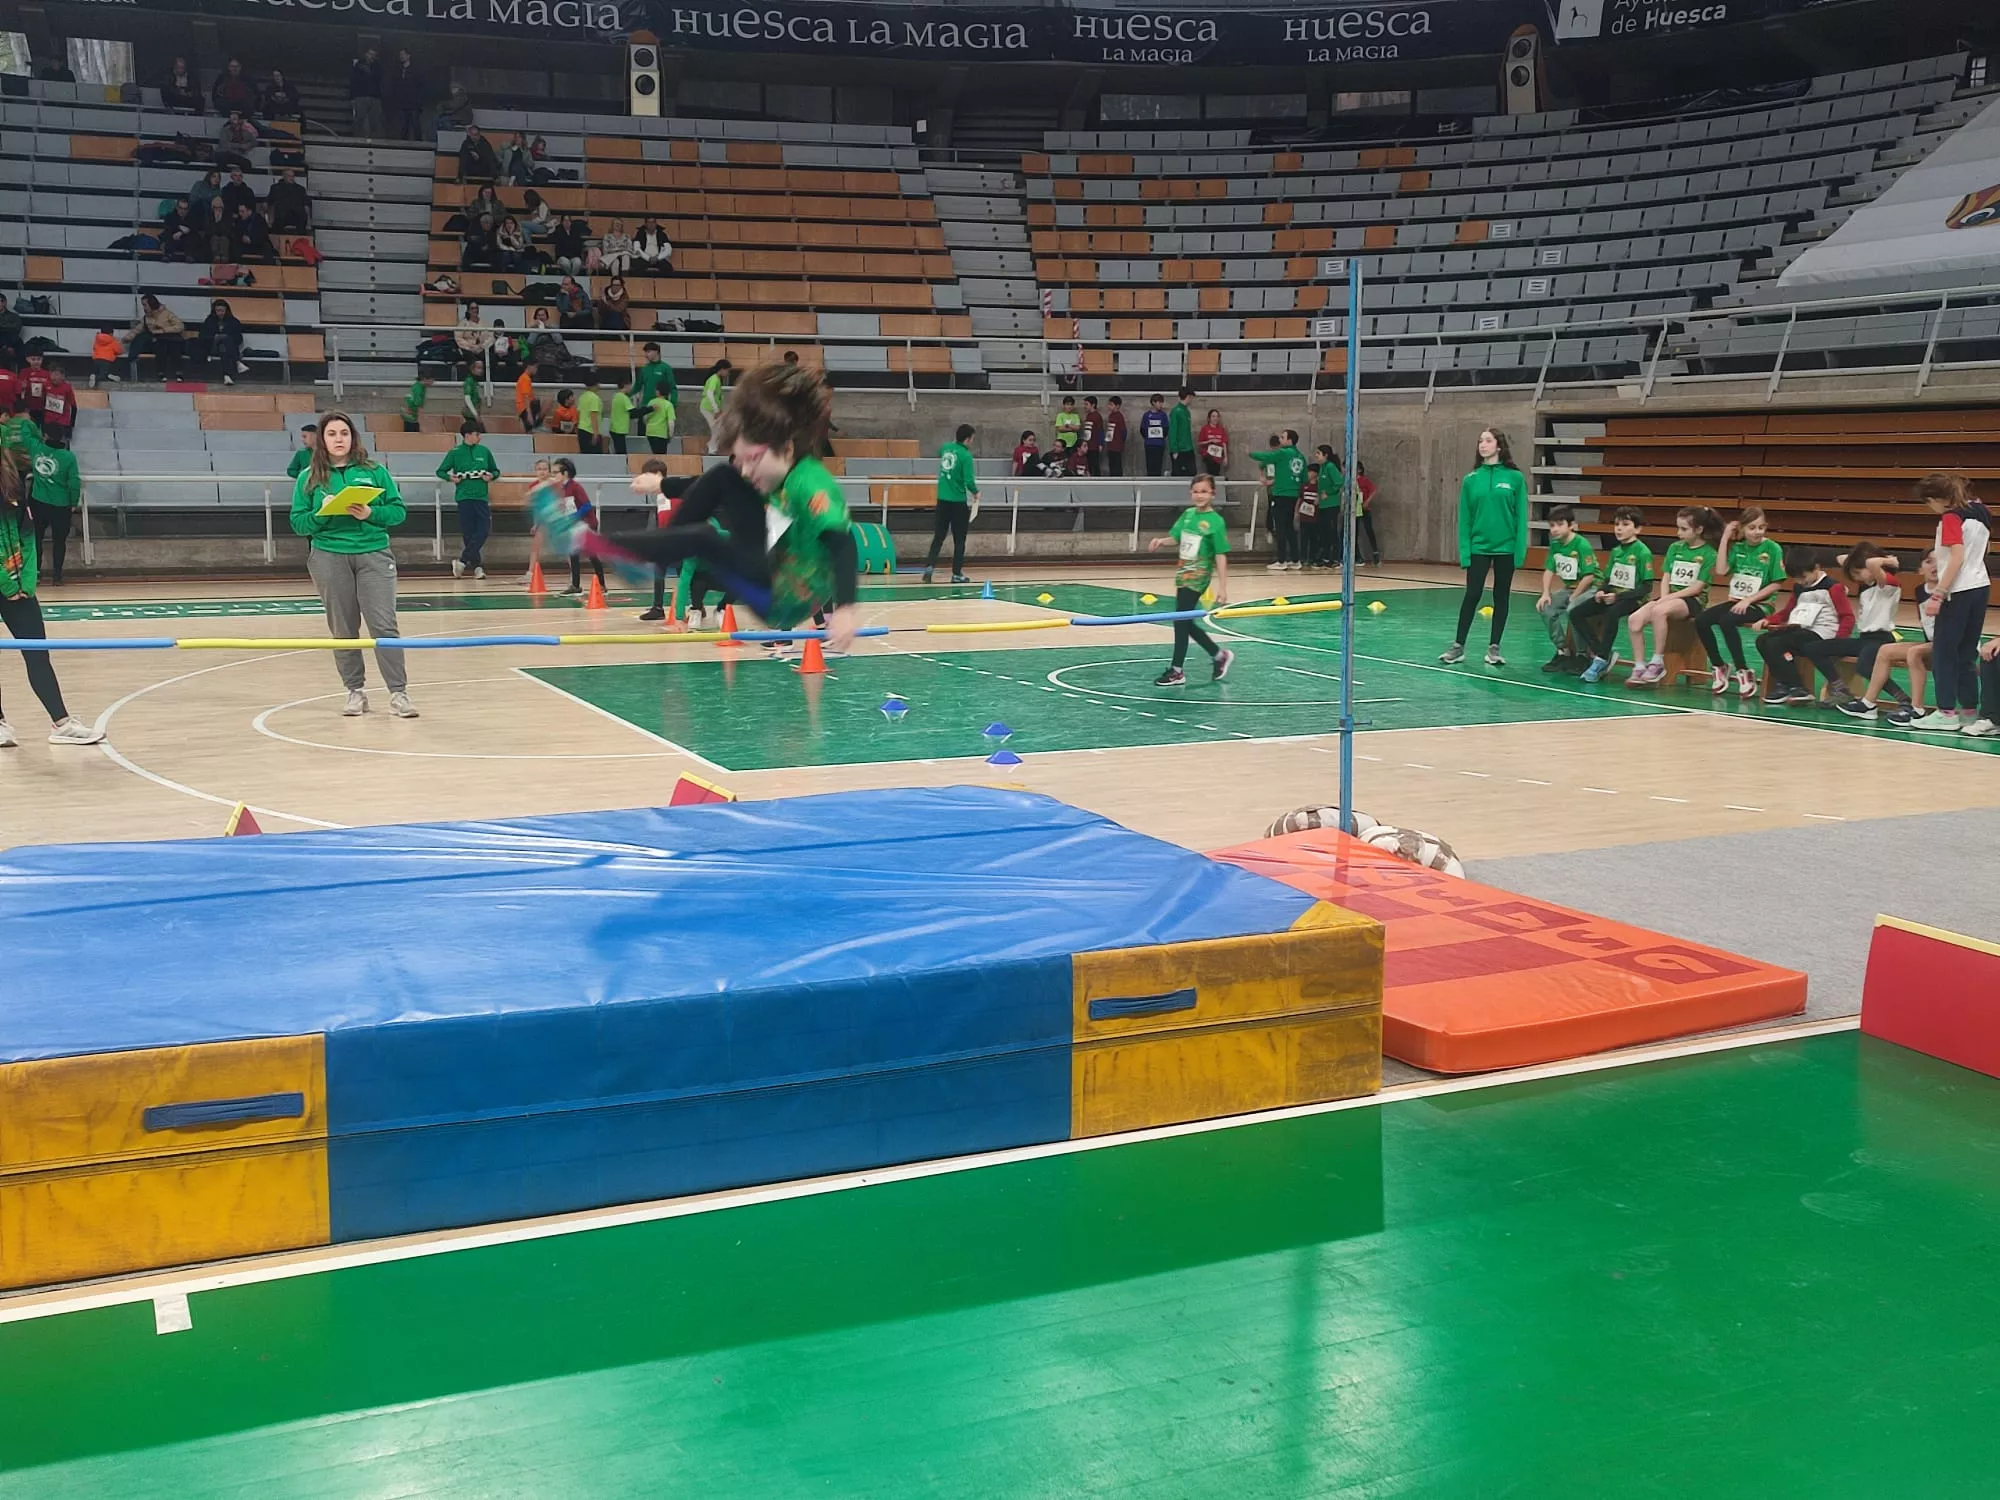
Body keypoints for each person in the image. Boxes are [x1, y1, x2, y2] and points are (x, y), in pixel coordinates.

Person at [542, 362, 859, 644]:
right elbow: (708, 487)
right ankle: (645, 552)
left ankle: (598, 542)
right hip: (768, 568)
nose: (747, 470)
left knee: (703, 536)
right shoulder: (777, 474)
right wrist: (662, 483)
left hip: (780, 598)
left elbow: (843, 543)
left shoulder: (811, 482)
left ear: (787, 449)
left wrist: (845, 607)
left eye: (753, 459)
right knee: (723, 477)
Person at [289, 412, 415, 718]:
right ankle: (355, 691)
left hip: (374, 553)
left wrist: (370, 513)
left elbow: (398, 513)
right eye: (332, 434)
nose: (338, 439)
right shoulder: (309, 477)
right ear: (322, 439)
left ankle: (399, 693)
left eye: (344, 433)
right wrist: (323, 513)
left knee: (384, 626)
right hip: (329, 555)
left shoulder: (374, 471)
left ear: (353, 437)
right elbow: (298, 523)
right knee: (344, 627)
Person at [0, 446, 103, 746]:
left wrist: (27, 582)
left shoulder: (14, 487)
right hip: (7, 586)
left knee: (38, 654)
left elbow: (28, 538)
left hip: (20, 590)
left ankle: (62, 723)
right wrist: (7, 585)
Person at [1907, 471, 1992, 732]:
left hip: (1958, 590)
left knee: (1944, 653)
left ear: (1936, 498)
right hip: (1981, 586)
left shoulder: (1951, 517)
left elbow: (1957, 557)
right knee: (1966, 653)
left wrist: (1938, 593)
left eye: (1928, 502)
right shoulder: (1981, 510)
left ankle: (1945, 713)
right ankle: (1968, 710)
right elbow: (1985, 549)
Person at [1440, 427, 1528, 666]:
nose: (1482, 444)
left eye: (1488, 440)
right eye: (1480, 441)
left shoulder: (1515, 478)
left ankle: (1494, 648)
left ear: (1499, 446)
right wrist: (1465, 553)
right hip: (1479, 547)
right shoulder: (1471, 480)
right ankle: (1458, 646)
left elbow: (1521, 517)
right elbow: (1465, 519)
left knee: (1502, 596)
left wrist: (1519, 552)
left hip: (1506, 548)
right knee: (1472, 595)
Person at [1146, 474, 1233, 686]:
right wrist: (1160, 541)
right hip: (1183, 573)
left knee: (1180, 620)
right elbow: (1177, 538)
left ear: (1213, 494)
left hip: (1198, 575)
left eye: (1204, 491)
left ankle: (1177, 671)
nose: (1199, 495)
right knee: (1183, 620)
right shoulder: (1187, 515)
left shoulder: (1216, 522)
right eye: (1195, 491)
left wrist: (1223, 586)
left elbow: (1221, 554)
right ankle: (1218, 655)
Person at [1623, 505, 1721, 686]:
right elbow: (1666, 575)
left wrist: (1668, 599)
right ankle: (1639, 666)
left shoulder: (1709, 554)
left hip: (1692, 601)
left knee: (1659, 611)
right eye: (1678, 528)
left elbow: (1697, 587)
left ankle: (1657, 662)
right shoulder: (1675, 548)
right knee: (1634, 620)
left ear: (1699, 529)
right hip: (1669, 598)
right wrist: (1665, 595)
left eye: (1684, 529)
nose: (1678, 533)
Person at [1692, 506, 1786, 697]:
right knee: (1701, 620)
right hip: (1737, 602)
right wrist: (1725, 538)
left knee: (1727, 620)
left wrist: (1749, 600)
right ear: (1742, 529)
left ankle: (1743, 670)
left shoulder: (1772, 548)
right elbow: (1721, 570)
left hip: (1760, 605)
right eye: (1752, 528)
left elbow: (1777, 584)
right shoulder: (1738, 548)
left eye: (1761, 527)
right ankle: (1719, 665)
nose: (1757, 532)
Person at [1840, 552, 1936, 724]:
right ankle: (1868, 703)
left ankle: (1917, 709)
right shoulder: (1920, 590)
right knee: (1885, 652)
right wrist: (1866, 557)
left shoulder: (1887, 584)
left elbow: (1871, 562)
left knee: (1913, 652)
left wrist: (1887, 561)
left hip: (1949, 642)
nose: (1934, 566)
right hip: (1931, 642)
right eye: (1928, 562)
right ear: (1920, 569)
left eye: (1939, 561)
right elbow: (1842, 559)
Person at [1756, 548, 1854, 707]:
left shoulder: (1833, 587)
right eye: (1796, 579)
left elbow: (1847, 616)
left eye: (1803, 577)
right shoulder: (1799, 588)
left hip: (1823, 633)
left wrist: (1839, 641)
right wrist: (1768, 620)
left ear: (1816, 568)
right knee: (1763, 640)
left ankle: (1797, 687)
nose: (1802, 582)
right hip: (1802, 630)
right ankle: (1784, 683)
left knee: (1778, 643)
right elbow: (1788, 610)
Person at [1576, 507, 1655, 683]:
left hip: (1633, 599)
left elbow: (1647, 587)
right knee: (1576, 613)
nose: (1619, 528)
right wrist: (1601, 591)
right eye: (1616, 524)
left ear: (1637, 529)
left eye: (1625, 524)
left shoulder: (1642, 552)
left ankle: (1600, 659)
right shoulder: (1616, 552)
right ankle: (1602, 652)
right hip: (1613, 596)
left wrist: (1618, 597)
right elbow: (1609, 579)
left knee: (1612, 613)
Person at [1536, 505, 1600, 672]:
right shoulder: (1555, 545)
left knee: (1574, 608)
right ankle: (1563, 650)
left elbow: (1590, 576)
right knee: (1546, 607)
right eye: (1552, 526)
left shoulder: (1582, 545)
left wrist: (1576, 595)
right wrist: (1545, 593)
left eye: (1559, 524)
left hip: (1591, 588)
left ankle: (1582, 656)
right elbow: (1549, 570)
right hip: (1570, 588)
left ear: (1571, 525)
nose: (1555, 529)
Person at [438, 420, 498, 579]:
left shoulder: (484, 451)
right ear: (468, 435)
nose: (479, 437)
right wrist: (451, 478)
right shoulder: (455, 452)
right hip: (464, 497)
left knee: (484, 530)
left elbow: (495, 470)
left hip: (481, 496)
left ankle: (463, 561)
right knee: (469, 533)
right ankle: (477, 566)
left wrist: (491, 476)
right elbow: (441, 471)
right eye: (477, 434)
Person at [924, 423, 980, 584]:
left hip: (942, 499)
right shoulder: (966, 456)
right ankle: (956, 573)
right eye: (972, 439)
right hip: (957, 501)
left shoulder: (945, 448)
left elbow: (941, 453)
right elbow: (968, 480)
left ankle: (929, 567)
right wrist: (976, 492)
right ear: (968, 439)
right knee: (959, 539)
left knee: (939, 536)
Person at [1249, 431, 1307, 571]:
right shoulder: (1301, 456)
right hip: (1293, 495)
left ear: (1290, 440)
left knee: (1280, 527)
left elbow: (1265, 456)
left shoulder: (1283, 453)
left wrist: (1250, 453)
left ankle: (1281, 560)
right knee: (1289, 528)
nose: (1280, 439)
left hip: (1281, 494)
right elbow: (1304, 478)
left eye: (1283, 437)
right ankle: (1295, 560)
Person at [26, 437, 79, 585]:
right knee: (59, 541)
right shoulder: (69, 457)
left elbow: (24, 429)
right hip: (61, 505)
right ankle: (57, 575)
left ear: (46, 435)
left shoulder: (36, 449)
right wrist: (74, 502)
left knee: (36, 538)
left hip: (38, 502)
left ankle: (35, 572)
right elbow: (74, 481)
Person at [550, 459, 605, 596]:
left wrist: (574, 517)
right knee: (573, 554)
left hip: (587, 524)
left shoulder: (575, 487)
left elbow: (586, 506)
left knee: (592, 554)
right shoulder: (560, 489)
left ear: (565, 473)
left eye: (556, 472)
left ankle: (602, 584)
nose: (554, 475)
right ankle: (575, 585)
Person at [129, 295, 187, 379]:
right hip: (158, 340)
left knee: (174, 347)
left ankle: (178, 373)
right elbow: (137, 329)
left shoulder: (167, 314)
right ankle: (161, 373)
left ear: (152, 304)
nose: (144, 308)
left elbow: (180, 326)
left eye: (145, 305)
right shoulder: (146, 318)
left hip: (171, 338)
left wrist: (163, 330)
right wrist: (128, 337)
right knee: (159, 346)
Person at [23, 356, 75, 448]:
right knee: (46, 443)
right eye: (52, 374)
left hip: (62, 422)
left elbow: (73, 406)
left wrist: (71, 425)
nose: (53, 377)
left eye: (56, 374)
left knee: (62, 445)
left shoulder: (67, 388)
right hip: (48, 420)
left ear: (62, 376)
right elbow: (42, 401)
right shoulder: (46, 385)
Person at [198, 299, 248, 385]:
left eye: (222, 311)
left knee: (224, 345)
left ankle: (227, 376)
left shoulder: (233, 322)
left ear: (226, 310)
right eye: (218, 310)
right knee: (224, 342)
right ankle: (237, 362)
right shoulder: (209, 321)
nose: (220, 313)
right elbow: (202, 337)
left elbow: (239, 338)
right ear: (214, 311)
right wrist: (214, 338)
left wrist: (227, 338)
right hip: (212, 347)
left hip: (226, 349)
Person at [388, 49, 424, 139]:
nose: (401, 56)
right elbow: (394, 86)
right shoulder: (397, 70)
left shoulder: (416, 70)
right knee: (403, 127)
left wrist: (418, 101)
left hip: (413, 103)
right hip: (401, 103)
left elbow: (420, 86)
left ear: (409, 56)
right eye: (400, 54)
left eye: (403, 54)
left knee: (416, 127)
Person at [631, 342, 676, 412]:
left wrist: (673, 404)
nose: (646, 355)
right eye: (645, 352)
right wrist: (626, 395)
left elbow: (672, 388)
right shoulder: (644, 369)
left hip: (661, 407)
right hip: (646, 405)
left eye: (648, 352)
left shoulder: (666, 368)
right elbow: (637, 386)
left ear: (656, 352)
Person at [349, 48, 384, 139]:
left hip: (374, 97)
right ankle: (357, 139)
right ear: (366, 54)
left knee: (375, 121)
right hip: (360, 96)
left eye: (373, 55)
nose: (371, 56)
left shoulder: (378, 67)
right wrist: (352, 97)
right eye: (370, 54)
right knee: (359, 119)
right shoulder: (358, 66)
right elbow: (353, 81)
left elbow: (380, 81)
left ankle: (375, 140)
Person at [698, 358, 731, 452]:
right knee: (717, 429)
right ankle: (712, 449)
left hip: (712, 408)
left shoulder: (717, 379)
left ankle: (711, 447)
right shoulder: (714, 379)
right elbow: (709, 393)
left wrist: (719, 409)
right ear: (722, 369)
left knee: (719, 429)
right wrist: (716, 409)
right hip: (707, 408)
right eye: (727, 370)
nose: (728, 373)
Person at [267, 167, 311, 234]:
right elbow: (269, 200)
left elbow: (306, 202)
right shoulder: (275, 188)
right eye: (289, 176)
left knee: (302, 215)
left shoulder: (300, 189)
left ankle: (300, 238)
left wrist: (306, 208)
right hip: (281, 214)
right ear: (284, 176)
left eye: (293, 176)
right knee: (279, 218)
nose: (291, 178)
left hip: (296, 214)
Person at [1167, 388, 1197, 478]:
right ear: (1188, 397)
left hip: (1188, 448)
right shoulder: (1176, 411)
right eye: (1191, 397)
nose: (1191, 400)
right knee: (1178, 474)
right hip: (1180, 449)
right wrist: (1174, 449)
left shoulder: (1187, 411)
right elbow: (1173, 431)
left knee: (1192, 472)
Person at [575, 376, 603, 455]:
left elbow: (579, 413)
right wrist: (595, 434)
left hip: (582, 430)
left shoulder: (582, 396)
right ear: (596, 384)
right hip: (590, 431)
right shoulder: (594, 398)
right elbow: (593, 416)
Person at [642, 387, 675, 454]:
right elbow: (671, 422)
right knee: (662, 455)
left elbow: (645, 418)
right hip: (662, 434)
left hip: (650, 432)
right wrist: (670, 435)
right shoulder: (668, 405)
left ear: (658, 391)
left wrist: (647, 426)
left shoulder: (651, 402)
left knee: (654, 452)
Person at [1197, 409, 1228, 478]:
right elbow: (1200, 443)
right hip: (1208, 454)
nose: (1215, 418)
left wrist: (1226, 457)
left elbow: (1224, 443)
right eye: (1213, 416)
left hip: (1217, 454)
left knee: (1216, 472)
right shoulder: (1205, 429)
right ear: (1209, 418)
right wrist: (1209, 441)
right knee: (1212, 469)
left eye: (1217, 416)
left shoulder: (1221, 429)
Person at [1103, 395, 1127, 478]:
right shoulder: (1111, 416)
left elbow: (1123, 431)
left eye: (1111, 404)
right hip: (1110, 445)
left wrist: (1120, 442)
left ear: (1117, 406)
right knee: (1111, 464)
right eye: (1108, 404)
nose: (1109, 406)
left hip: (1117, 445)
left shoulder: (1119, 416)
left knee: (1117, 464)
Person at [1079, 396, 1102, 477]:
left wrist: (1100, 443)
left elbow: (1100, 430)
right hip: (1087, 445)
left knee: (1094, 465)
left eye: (1086, 404)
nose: (1085, 406)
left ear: (1093, 405)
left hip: (1094, 445)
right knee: (1089, 465)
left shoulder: (1097, 416)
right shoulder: (1088, 415)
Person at [607, 383, 633, 455]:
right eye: (630, 386)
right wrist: (649, 409)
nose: (631, 388)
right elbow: (633, 412)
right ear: (626, 385)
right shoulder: (624, 398)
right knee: (622, 454)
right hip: (620, 429)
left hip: (614, 428)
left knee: (618, 451)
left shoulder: (615, 396)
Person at [1053, 395, 1080, 464]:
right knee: (1062, 461)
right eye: (1067, 404)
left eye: (1071, 405)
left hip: (1073, 443)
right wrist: (1072, 428)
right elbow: (1060, 428)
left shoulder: (1075, 416)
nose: (1069, 407)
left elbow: (1077, 428)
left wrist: (1068, 426)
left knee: (1072, 461)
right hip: (1062, 444)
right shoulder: (1060, 415)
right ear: (1064, 405)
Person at [514, 367, 541, 433]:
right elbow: (526, 397)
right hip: (525, 408)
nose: (536, 369)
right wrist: (529, 413)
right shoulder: (525, 379)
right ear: (530, 366)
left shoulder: (526, 378)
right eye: (535, 367)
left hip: (527, 408)